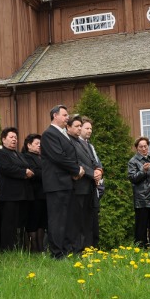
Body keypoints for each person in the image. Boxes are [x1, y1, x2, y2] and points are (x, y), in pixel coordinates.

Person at [41, 105, 84, 259]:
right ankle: (57, 253)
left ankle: (67, 249)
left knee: (68, 219)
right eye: (65, 115)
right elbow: (58, 157)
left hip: (66, 183)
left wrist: (75, 170)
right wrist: (76, 170)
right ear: (54, 116)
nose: (67, 117)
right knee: (57, 219)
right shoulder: (49, 134)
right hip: (56, 184)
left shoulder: (63, 134)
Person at [66, 115, 101, 253]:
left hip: (89, 187)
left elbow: (93, 160)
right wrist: (92, 173)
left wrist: (97, 171)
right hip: (79, 186)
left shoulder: (84, 144)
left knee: (88, 220)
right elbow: (76, 163)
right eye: (78, 126)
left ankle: (88, 247)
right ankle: (78, 249)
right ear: (69, 127)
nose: (80, 128)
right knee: (78, 221)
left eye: (82, 126)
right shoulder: (70, 142)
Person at [0, 127, 33, 251]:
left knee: (20, 223)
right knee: (8, 223)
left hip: (22, 195)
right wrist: (23, 172)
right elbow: (6, 168)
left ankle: (19, 247)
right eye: (11, 137)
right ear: (4, 139)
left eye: (16, 138)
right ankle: (7, 248)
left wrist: (27, 171)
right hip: (9, 195)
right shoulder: (1, 153)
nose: (14, 140)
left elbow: (28, 166)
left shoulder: (19, 154)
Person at [81, 118, 104, 248]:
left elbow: (97, 163)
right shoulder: (76, 144)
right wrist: (92, 174)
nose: (90, 131)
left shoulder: (90, 146)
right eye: (86, 128)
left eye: (91, 128)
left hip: (94, 187)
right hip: (83, 186)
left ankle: (93, 247)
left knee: (94, 220)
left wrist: (99, 172)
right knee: (84, 222)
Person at [22, 133, 45, 252]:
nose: (39, 146)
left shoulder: (42, 157)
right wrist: (46, 173)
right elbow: (34, 172)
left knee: (42, 222)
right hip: (33, 194)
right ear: (29, 145)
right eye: (37, 144)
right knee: (33, 222)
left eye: (41, 144)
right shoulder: (26, 156)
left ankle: (41, 248)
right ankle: (33, 249)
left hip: (44, 194)